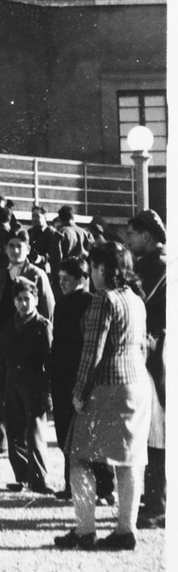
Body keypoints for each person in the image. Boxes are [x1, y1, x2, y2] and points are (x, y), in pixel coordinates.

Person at [54, 242, 151, 552]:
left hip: (107, 387)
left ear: (102, 269)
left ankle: (85, 532)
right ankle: (126, 530)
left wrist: (79, 393)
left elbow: (91, 353)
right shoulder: (136, 300)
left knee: (79, 457)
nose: (93, 273)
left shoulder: (103, 299)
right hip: (137, 386)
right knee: (129, 460)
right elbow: (142, 348)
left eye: (94, 266)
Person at [50, 255, 115, 504]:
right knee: (65, 433)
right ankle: (71, 485)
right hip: (61, 376)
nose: (63, 283)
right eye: (60, 279)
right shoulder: (61, 303)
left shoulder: (90, 302)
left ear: (83, 279)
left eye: (67, 279)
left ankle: (105, 489)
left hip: (83, 376)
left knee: (91, 434)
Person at [126, 208, 167, 530]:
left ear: (146, 236)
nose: (128, 239)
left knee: (159, 431)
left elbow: (140, 299)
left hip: (159, 353)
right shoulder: (149, 264)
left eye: (131, 233)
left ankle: (159, 504)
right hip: (151, 351)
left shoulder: (159, 265)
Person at [0, 277, 54, 494]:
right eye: (19, 299)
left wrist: (47, 393)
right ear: (14, 301)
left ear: (36, 300)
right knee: (14, 433)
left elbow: (49, 361)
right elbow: (3, 360)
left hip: (34, 385)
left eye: (27, 299)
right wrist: (2, 387)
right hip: (12, 383)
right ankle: (21, 477)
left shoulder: (42, 326)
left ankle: (39, 480)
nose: (23, 303)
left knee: (34, 434)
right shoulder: (9, 327)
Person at [28, 205, 62, 276]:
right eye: (33, 216)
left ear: (45, 217)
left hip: (46, 270)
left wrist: (42, 259)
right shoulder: (30, 232)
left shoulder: (51, 233)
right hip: (31, 269)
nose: (34, 219)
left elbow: (55, 256)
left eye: (37, 216)